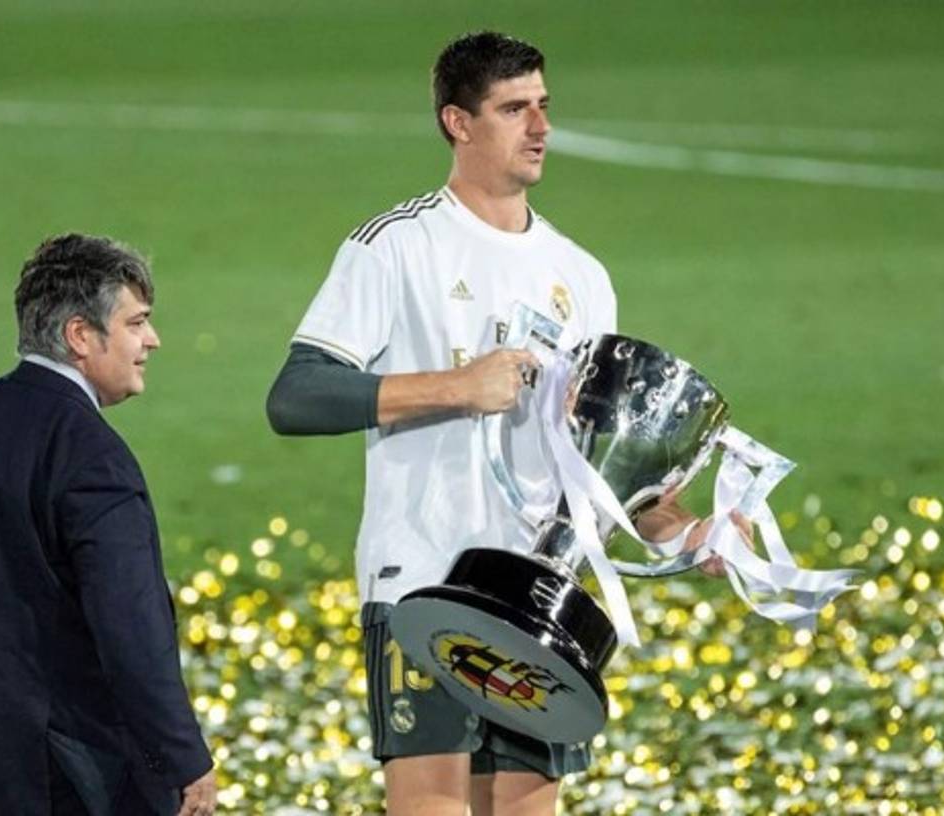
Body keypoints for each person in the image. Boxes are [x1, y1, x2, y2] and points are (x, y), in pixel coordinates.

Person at [267, 32, 714, 816]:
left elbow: (596, 461)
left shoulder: (583, 276)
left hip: (538, 597)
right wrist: (456, 387)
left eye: (543, 106)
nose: (540, 126)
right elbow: (296, 397)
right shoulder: (397, 247)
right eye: (513, 109)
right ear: (457, 122)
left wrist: (682, 532)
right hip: (426, 579)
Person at [0, 234, 217, 816]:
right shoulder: (89, 450)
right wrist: (182, 756)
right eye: (136, 323)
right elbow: (129, 621)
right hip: (72, 762)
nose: (152, 340)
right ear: (80, 335)